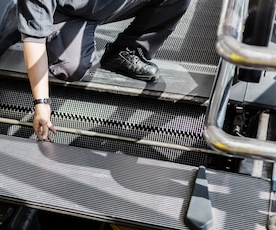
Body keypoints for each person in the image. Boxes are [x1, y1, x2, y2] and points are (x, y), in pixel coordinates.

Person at [16, 0, 191, 141]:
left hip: (109, 6)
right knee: (70, 69)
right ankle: (43, 26)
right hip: (67, 14)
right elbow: (34, 41)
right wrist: (41, 103)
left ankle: (125, 50)